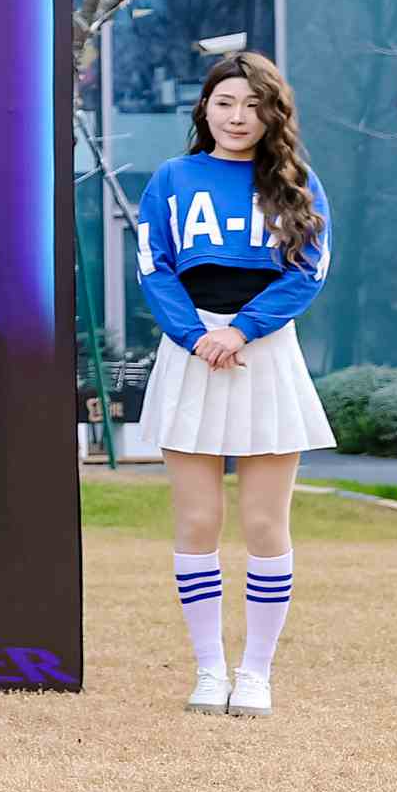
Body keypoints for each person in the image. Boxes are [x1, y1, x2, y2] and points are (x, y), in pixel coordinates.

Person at [133, 52, 332, 722]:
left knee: (265, 524)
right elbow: (153, 266)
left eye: (253, 105)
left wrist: (241, 331)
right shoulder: (172, 178)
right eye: (225, 103)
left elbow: (309, 272)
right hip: (192, 354)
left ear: (273, 113)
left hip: (265, 355)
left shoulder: (297, 182)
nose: (238, 117)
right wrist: (197, 336)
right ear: (205, 109)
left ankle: (255, 673)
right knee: (197, 522)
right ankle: (209, 669)